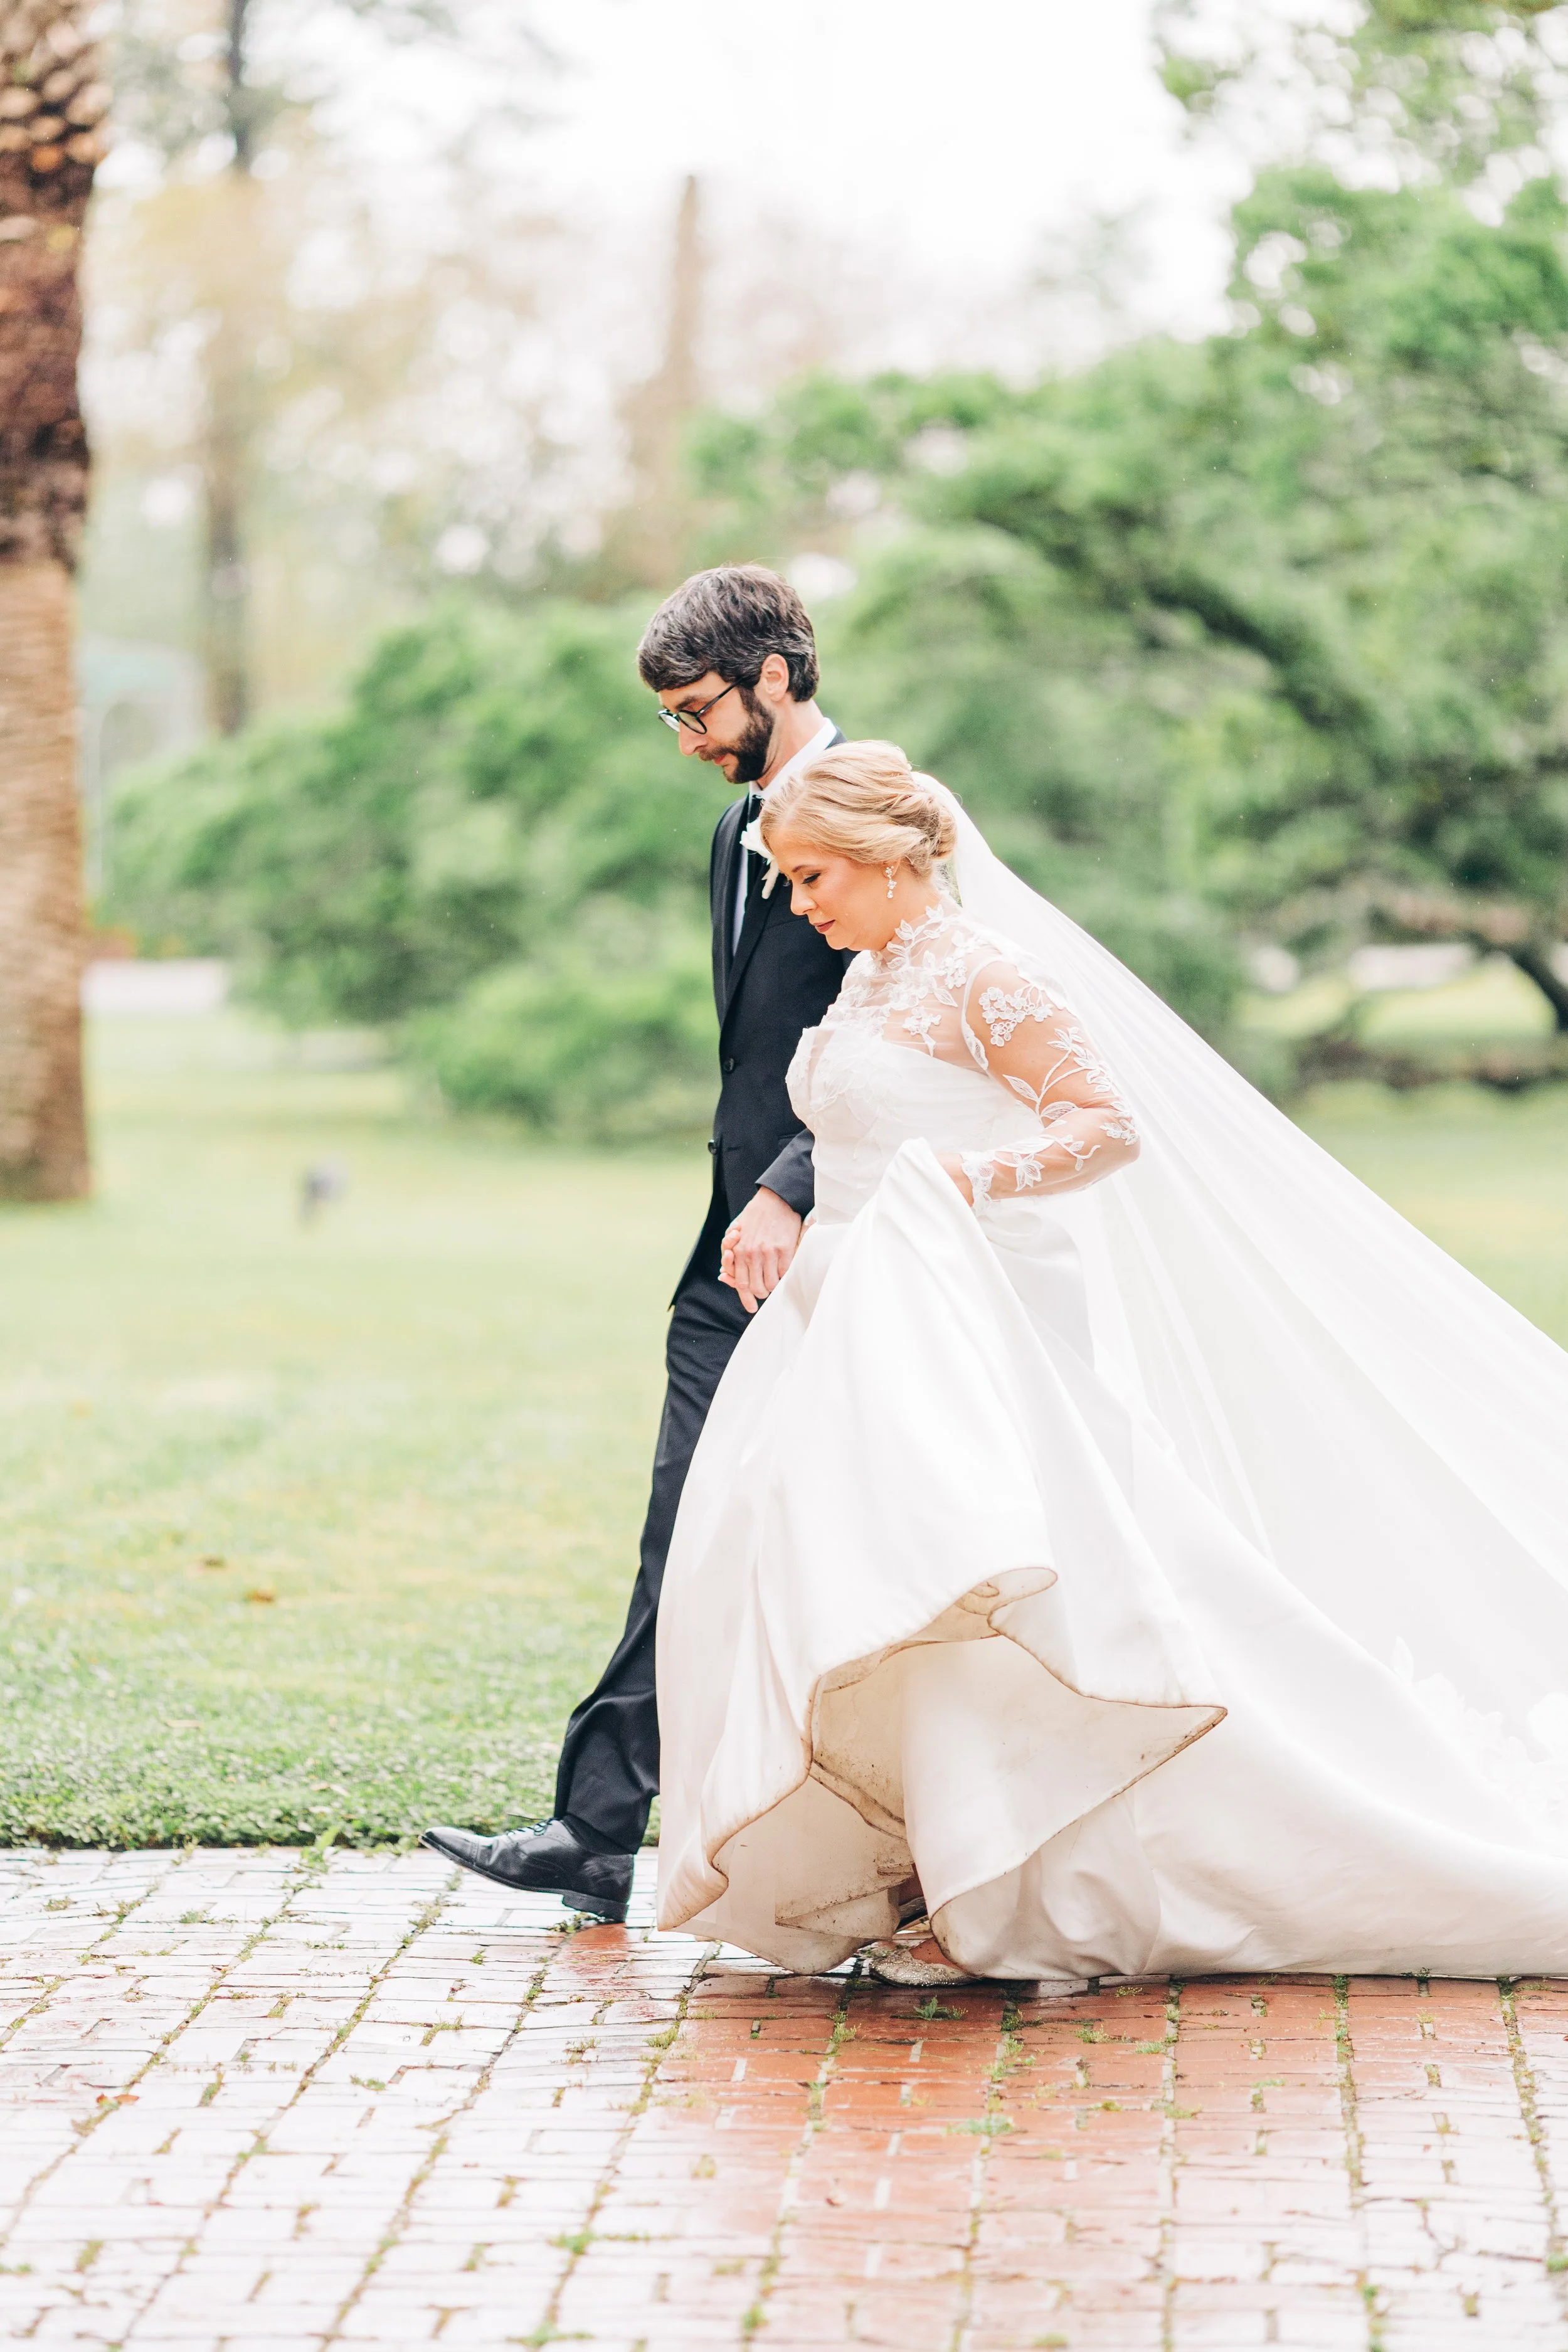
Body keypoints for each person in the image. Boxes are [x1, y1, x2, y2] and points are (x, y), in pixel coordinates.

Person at [655, 741, 1568, 1988]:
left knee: (979, 1576)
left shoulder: (985, 974)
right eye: (791, 880)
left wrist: (958, 1179)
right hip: (847, 1318)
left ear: (884, 857)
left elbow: (1103, 1127)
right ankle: (922, 1856)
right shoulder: (870, 977)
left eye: (814, 877)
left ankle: (1028, 1873)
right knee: (849, 1572)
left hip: (965, 1321)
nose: (802, 904)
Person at [422, 568, 851, 1919]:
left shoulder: (881, 805)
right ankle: (596, 1828)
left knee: (864, 1539)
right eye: (671, 717)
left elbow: (901, 1021)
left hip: (851, 1240)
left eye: (698, 710)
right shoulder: (736, 829)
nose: (687, 741)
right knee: (683, 1525)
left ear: (775, 674)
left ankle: (888, 1837)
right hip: (734, 1250)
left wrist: (791, 1184)